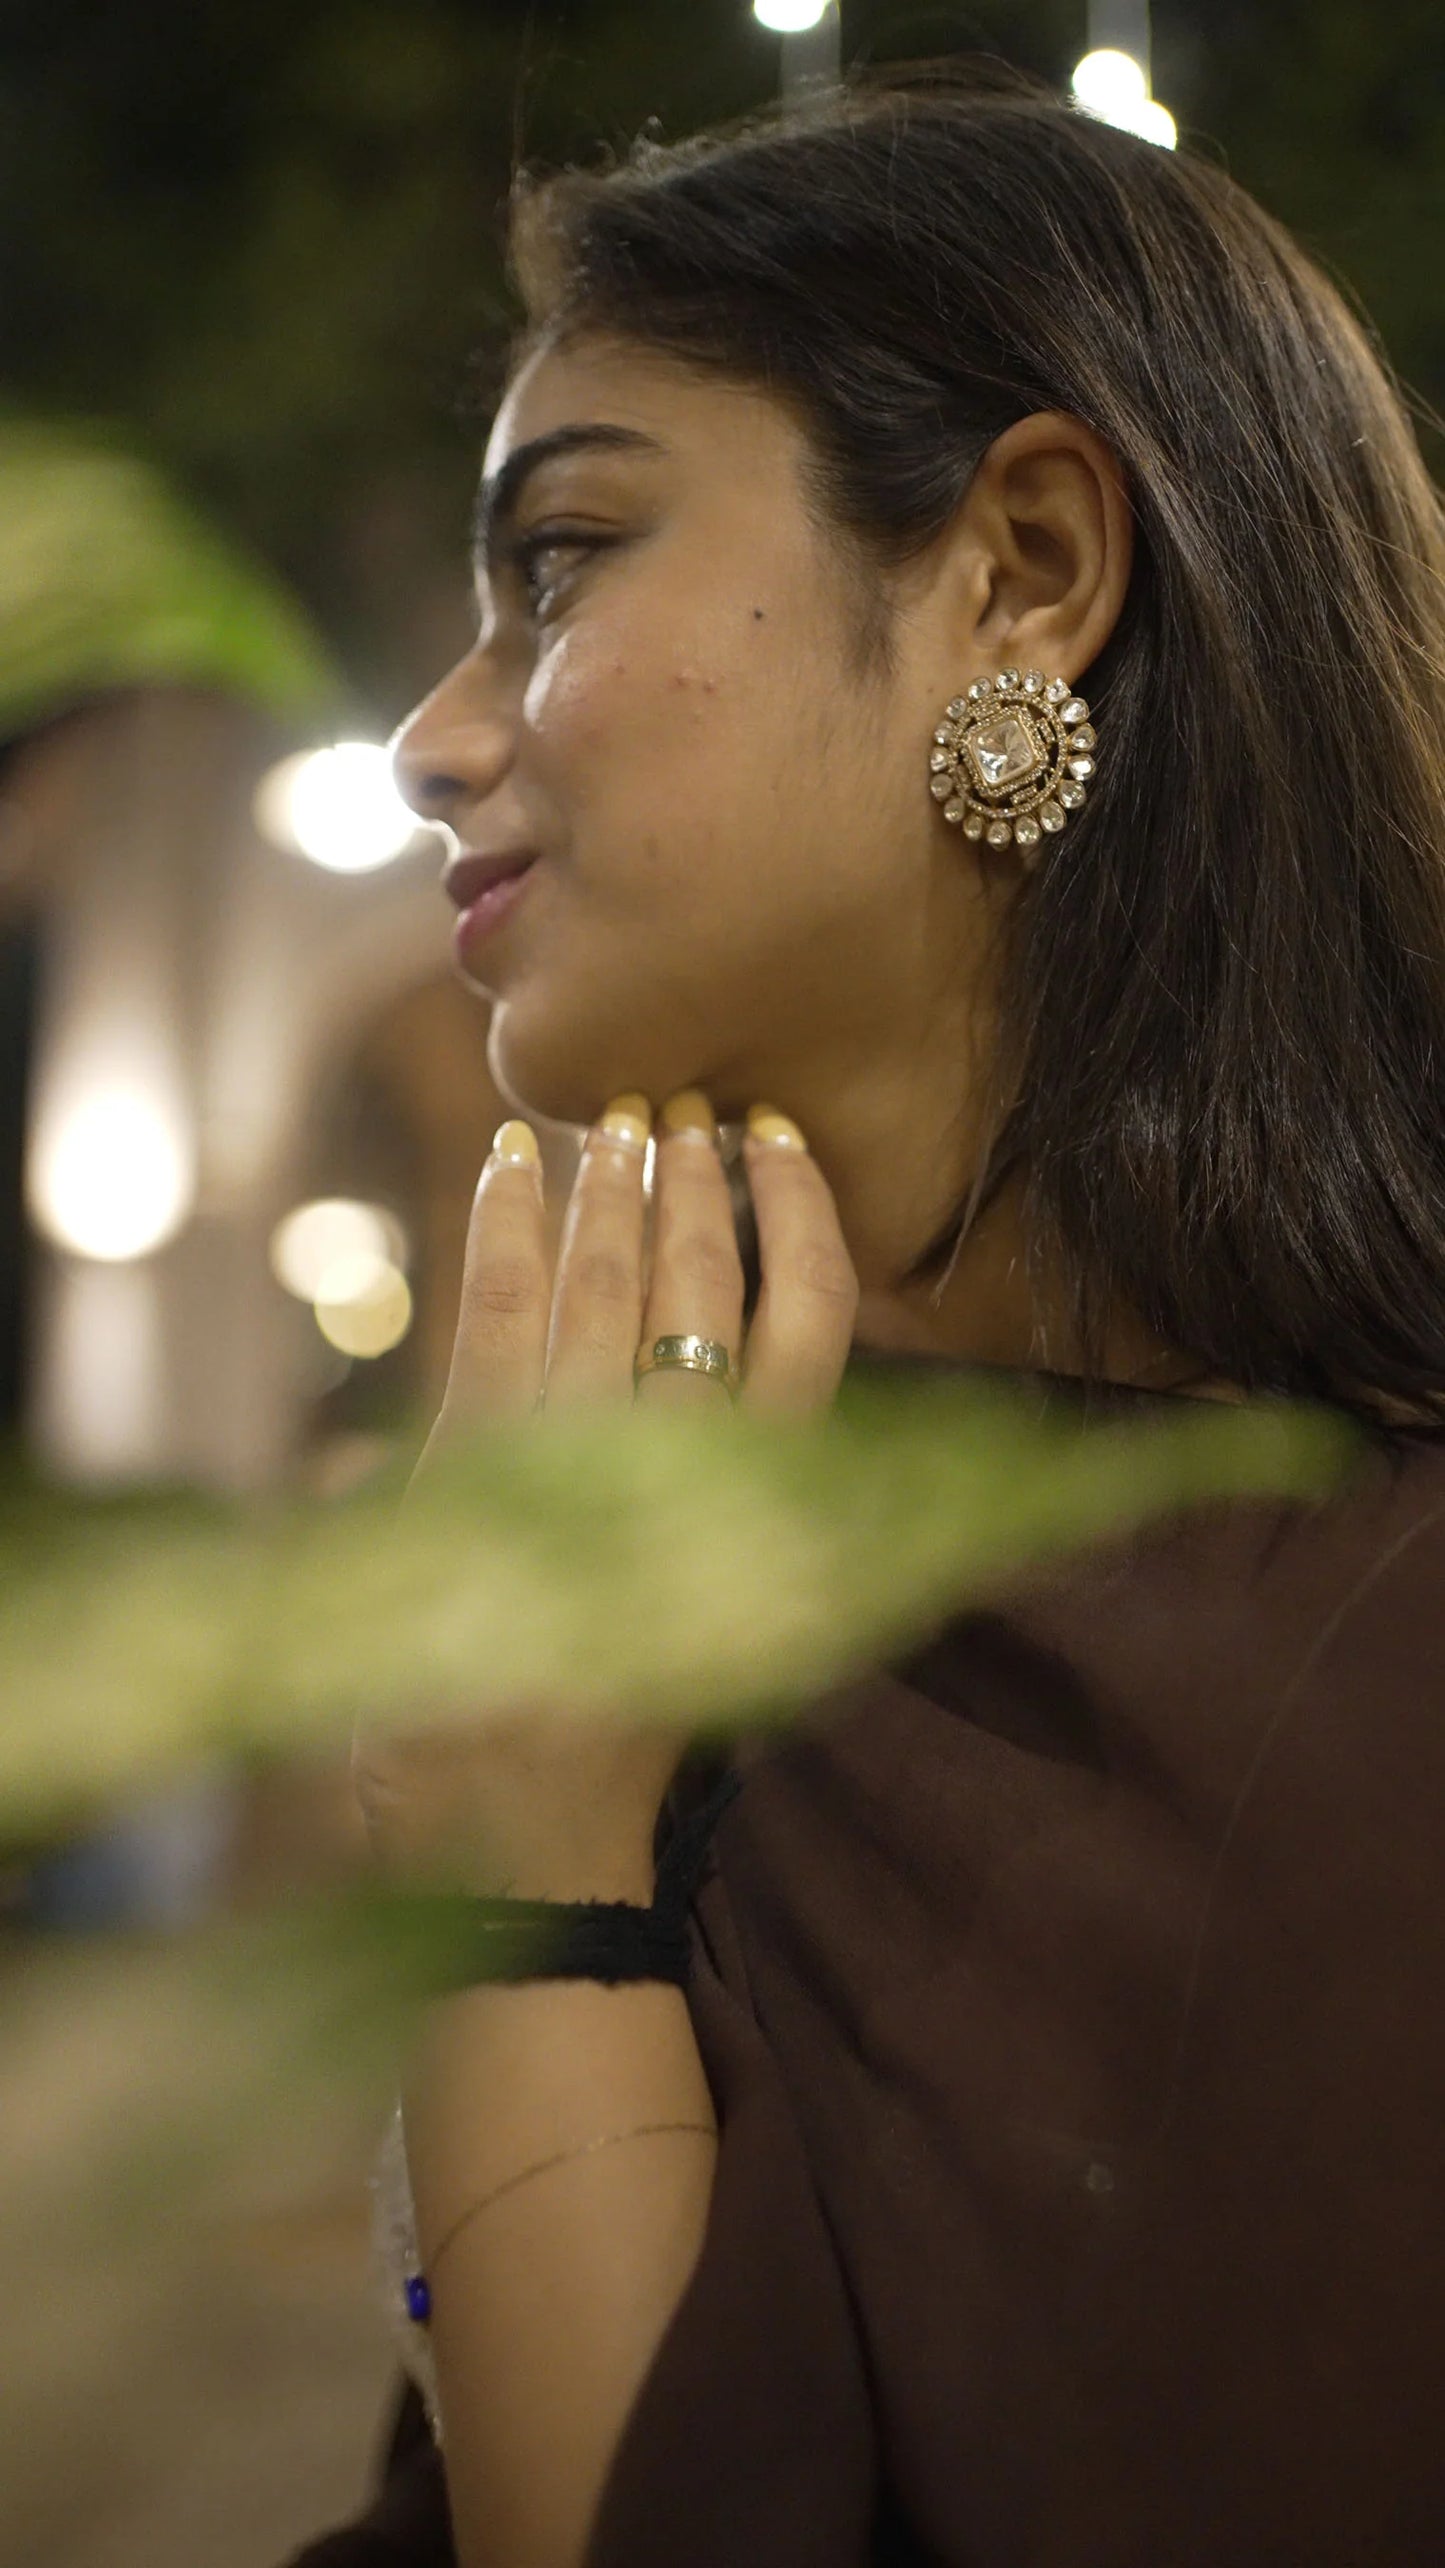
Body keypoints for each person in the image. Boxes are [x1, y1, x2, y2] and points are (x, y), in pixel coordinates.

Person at [288, 58, 1445, 2568]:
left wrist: (524, 1866)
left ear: (1026, 568)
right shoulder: (766, 1533)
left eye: (567, 559)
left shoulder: (1367, 1694)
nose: (426, 741)